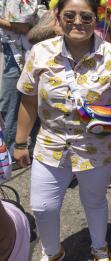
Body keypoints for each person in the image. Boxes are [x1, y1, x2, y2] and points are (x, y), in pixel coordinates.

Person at [13, 0, 111, 261]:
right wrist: (21, 142)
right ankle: (52, 252)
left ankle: (100, 248)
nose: (78, 22)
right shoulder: (40, 53)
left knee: (94, 200)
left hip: (99, 149)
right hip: (51, 144)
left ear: (95, 18)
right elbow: (28, 100)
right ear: (57, 18)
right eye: (69, 16)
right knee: (43, 206)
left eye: (86, 16)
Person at [0, 0, 37, 168]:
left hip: (27, 52)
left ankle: (14, 154)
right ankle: (12, 153)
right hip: (13, 50)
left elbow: (21, 27)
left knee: (12, 104)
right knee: (12, 104)